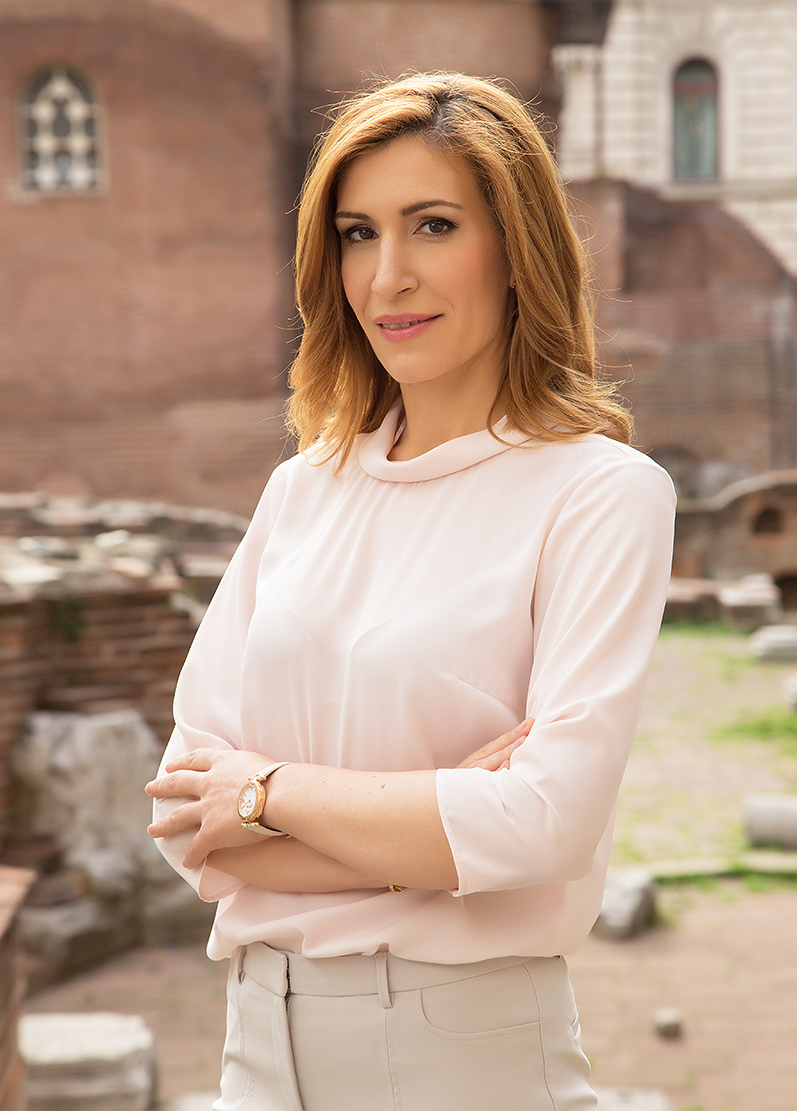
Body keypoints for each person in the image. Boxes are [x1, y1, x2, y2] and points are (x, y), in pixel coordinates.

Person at [146, 71, 675, 1111]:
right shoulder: (302, 490)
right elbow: (182, 819)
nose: (388, 276)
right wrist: (435, 831)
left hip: (459, 1052)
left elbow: (546, 823)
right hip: (255, 1047)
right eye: (358, 234)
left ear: (515, 248)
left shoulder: (599, 494)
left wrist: (268, 793)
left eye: (432, 226)